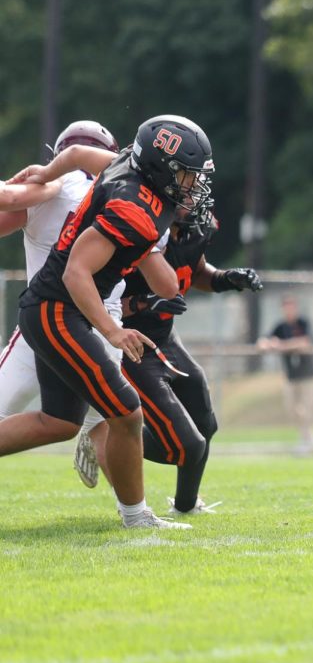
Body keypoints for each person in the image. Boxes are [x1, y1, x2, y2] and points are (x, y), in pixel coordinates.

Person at [0, 114, 215, 529]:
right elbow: (75, 273)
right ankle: (137, 517)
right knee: (127, 413)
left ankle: (135, 514)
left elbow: (78, 153)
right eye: (188, 175)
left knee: (60, 423)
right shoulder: (132, 208)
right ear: (162, 169)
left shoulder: (124, 165)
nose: (194, 185)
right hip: (58, 310)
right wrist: (114, 331)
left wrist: (46, 169)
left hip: (60, 308)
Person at [89, 200, 262, 513]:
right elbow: (102, 297)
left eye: (196, 187)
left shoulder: (195, 228)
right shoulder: (139, 230)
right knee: (188, 446)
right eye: (186, 187)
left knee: (205, 426)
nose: (193, 198)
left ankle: (185, 505)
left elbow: (195, 271)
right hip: (131, 343)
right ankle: (105, 437)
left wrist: (225, 279)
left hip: (165, 338)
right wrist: (143, 303)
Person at [1, 122, 124, 489]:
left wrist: (25, 188)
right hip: (100, 324)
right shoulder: (125, 193)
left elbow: (8, 205)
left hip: (43, 321)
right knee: (116, 422)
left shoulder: (54, 187)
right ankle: (134, 511)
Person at [258, 295, 313, 454]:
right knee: (292, 409)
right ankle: (308, 437)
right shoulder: (281, 327)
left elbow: (305, 342)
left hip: (308, 375)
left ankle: (307, 440)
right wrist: (266, 344)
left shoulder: (303, 323)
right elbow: (265, 340)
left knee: (307, 409)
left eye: (291, 306)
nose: (289, 310)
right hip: (291, 376)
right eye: (286, 307)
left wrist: (281, 346)